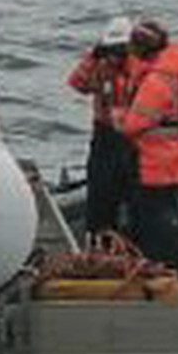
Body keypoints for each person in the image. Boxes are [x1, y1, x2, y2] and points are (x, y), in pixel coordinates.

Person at [113, 17, 178, 270]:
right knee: (164, 214)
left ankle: (162, 268)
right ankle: (165, 266)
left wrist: (118, 118)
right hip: (175, 157)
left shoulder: (157, 82)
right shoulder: (177, 73)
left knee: (153, 220)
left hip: (155, 161)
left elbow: (134, 125)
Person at [67, 16, 140, 238]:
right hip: (105, 139)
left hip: (135, 140)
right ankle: (100, 246)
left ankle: (133, 246)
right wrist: (93, 56)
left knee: (136, 201)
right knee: (100, 200)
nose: (116, 55)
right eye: (112, 49)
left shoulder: (141, 67)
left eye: (121, 49)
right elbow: (78, 83)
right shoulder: (100, 65)